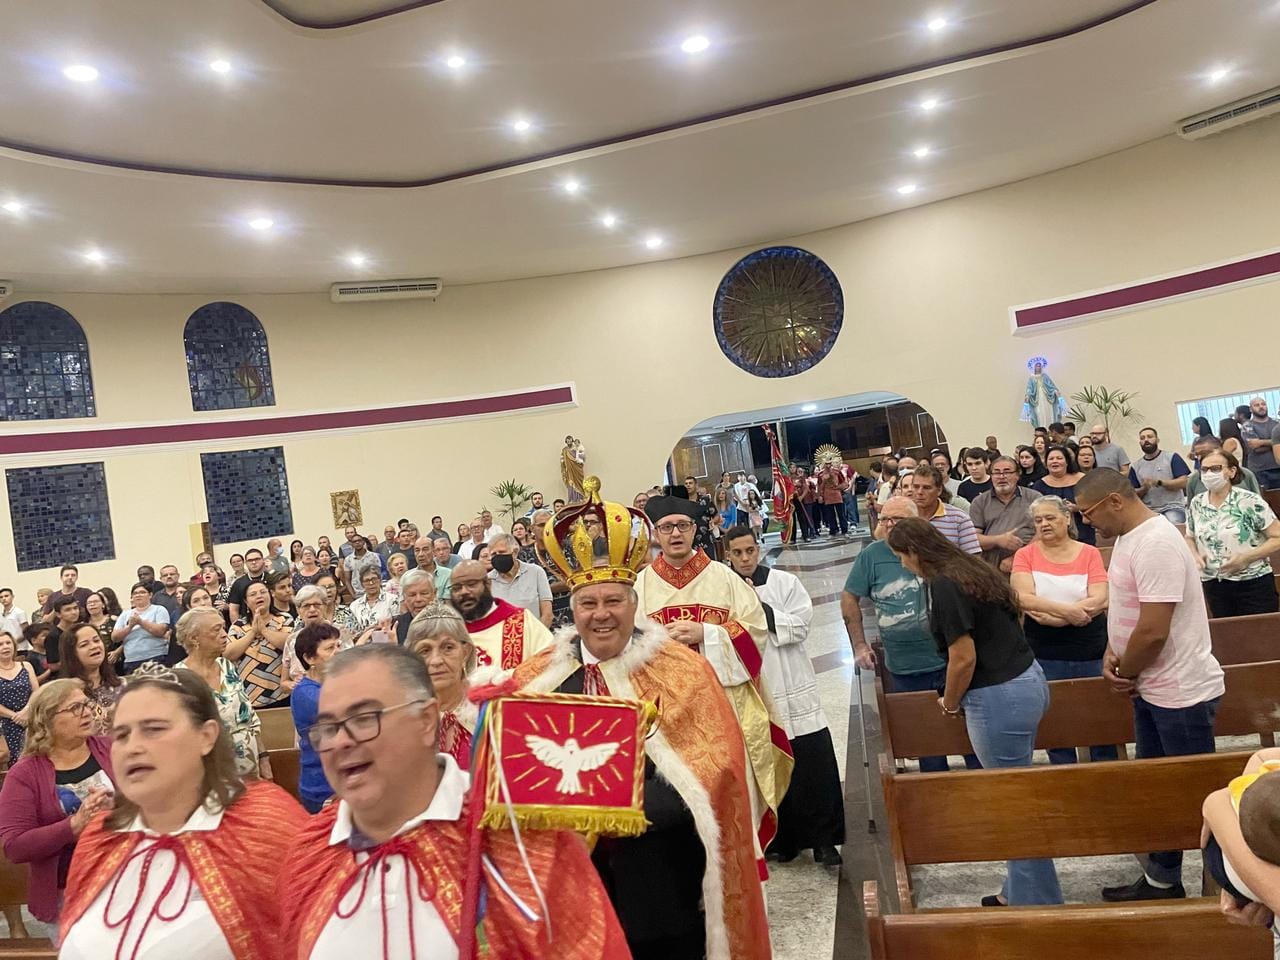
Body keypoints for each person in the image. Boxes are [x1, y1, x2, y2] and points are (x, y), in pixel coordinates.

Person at [513, 486, 770, 960]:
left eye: (613, 600)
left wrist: (615, 806)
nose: (601, 615)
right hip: (572, 888)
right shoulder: (537, 679)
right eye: (588, 603)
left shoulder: (684, 671)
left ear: (634, 605)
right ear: (573, 610)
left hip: (662, 884)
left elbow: (714, 773)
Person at [280, 643, 630, 959]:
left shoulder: (521, 840)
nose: (340, 742)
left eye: (363, 719)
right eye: (328, 727)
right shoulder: (309, 854)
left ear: (425, 719)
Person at [60, 666, 306, 958]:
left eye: (154, 729)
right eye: (122, 735)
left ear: (206, 736)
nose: (132, 747)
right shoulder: (101, 838)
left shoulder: (266, 825)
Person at [886, 518, 1062, 906]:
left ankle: (1039, 902)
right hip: (1028, 678)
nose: (903, 564)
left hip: (999, 696)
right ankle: (1017, 890)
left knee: (1013, 805)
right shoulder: (969, 566)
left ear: (914, 551)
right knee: (1016, 795)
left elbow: (963, 657)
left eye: (901, 556)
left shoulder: (943, 583)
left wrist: (950, 703)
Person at [1074, 468, 1226, 902]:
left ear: (1115, 501)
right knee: (1157, 794)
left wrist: (1125, 671)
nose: (1087, 521)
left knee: (1195, 798)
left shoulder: (1156, 543)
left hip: (1179, 692)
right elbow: (1128, 606)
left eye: (1088, 512)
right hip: (1152, 685)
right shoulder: (1129, 537)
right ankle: (1163, 882)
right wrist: (1113, 648)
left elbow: (1155, 630)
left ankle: (1229, 889)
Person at [638, 492, 791, 860]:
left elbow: (756, 632)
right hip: (666, 713)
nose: (676, 533)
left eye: (683, 525)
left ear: (695, 529)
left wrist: (706, 633)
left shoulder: (724, 578)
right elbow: (627, 650)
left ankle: (742, 866)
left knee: (731, 789)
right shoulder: (640, 586)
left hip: (724, 705)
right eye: (667, 527)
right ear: (655, 534)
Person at [725, 526, 843, 866]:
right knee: (770, 766)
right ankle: (784, 840)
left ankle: (824, 841)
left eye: (750, 551)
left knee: (813, 763)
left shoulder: (784, 582)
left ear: (759, 549)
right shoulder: (725, 591)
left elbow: (800, 625)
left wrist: (758, 608)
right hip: (756, 687)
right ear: (728, 555)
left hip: (792, 683)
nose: (745, 559)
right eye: (737, 553)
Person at [845, 497, 976, 772]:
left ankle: (982, 782)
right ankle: (935, 784)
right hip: (905, 664)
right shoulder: (871, 555)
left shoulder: (939, 550)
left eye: (898, 520)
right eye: (885, 519)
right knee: (926, 739)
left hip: (949, 660)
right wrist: (859, 644)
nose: (890, 525)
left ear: (918, 522)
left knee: (968, 732)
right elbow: (849, 598)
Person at [0, 679, 116, 930]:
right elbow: (15, 846)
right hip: (68, 892)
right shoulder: (24, 774)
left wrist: (120, 809)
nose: (86, 712)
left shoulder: (111, 748)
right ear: (46, 720)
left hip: (125, 876)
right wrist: (74, 825)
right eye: (75, 708)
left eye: (86, 704)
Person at [1010, 497, 1116, 763]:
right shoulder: (1025, 555)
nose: (1044, 524)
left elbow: (1100, 597)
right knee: (1054, 719)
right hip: (1044, 648)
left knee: (1099, 718)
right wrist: (1067, 613)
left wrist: (1058, 616)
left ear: (1067, 519)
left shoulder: (1089, 552)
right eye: (1038, 520)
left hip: (1089, 646)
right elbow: (1023, 597)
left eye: (1050, 518)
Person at [175, 608, 269, 779]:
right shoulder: (179, 679)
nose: (225, 635)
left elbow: (249, 717)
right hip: (210, 770)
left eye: (223, 628)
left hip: (249, 764)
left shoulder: (226, 666)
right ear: (194, 638)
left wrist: (264, 758)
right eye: (216, 629)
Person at [1186, 449, 1280, 617]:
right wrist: (1194, 555)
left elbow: (1277, 537)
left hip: (1252, 582)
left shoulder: (1250, 501)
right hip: (1213, 583)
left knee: (1258, 631)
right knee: (1228, 630)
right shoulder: (1196, 503)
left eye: (1215, 468)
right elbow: (1190, 536)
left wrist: (1246, 558)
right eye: (1204, 469)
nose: (1209, 474)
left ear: (1231, 471)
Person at [406, 603, 477, 771]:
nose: (436, 660)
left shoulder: (490, 712)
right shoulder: (404, 721)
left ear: (465, 652)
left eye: (448, 648)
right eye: (425, 651)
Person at [448, 559, 553, 667]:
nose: (464, 592)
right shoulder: (449, 633)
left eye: (471, 584)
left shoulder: (523, 621)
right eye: (456, 588)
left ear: (488, 584)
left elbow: (550, 663)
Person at [291, 623, 341, 813]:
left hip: (340, 777)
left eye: (338, 645)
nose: (338, 652)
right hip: (322, 785)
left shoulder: (334, 684)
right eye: (330, 648)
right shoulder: (306, 693)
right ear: (309, 658)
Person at [970, 457, 1043, 572]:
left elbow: (1042, 533)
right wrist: (998, 540)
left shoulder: (1034, 498)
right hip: (990, 563)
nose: (1001, 477)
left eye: (1007, 472)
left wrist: (1017, 557)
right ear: (991, 476)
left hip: (1030, 559)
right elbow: (973, 539)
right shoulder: (980, 501)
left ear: (1017, 475)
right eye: (996, 473)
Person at [228, 580, 294, 707]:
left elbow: (289, 644)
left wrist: (264, 630)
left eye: (263, 592)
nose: (259, 596)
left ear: (270, 595)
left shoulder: (284, 618)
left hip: (280, 694)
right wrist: (253, 632)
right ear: (246, 601)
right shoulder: (238, 625)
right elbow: (228, 654)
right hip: (248, 695)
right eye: (253, 594)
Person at [58, 622, 121, 736]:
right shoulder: (65, 695)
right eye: (84, 645)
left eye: (96, 640)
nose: (94, 646)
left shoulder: (122, 686)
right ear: (72, 654)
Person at [1032, 443, 1095, 544]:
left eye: (1059, 458)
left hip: (1083, 532)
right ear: (1046, 463)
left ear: (1067, 462)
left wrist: (1077, 508)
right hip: (1052, 536)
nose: (1055, 461)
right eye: (1051, 459)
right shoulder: (1039, 485)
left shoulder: (1082, 479)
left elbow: (1094, 505)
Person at [1127, 427, 1192, 524]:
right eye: (1142, 438)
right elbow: (1132, 494)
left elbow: (1184, 482)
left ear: (1157, 440)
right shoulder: (1135, 467)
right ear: (1140, 443)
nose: (1146, 440)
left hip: (1173, 507)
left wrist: (1159, 482)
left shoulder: (1171, 457)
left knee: (1173, 523)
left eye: (1150, 437)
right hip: (1149, 510)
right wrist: (1144, 489)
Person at [487, 533, 554, 627]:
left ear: (514, 552)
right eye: (493, 554)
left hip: (534, 632)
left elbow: (547, 614)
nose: (498, 557)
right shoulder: (487, 580)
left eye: (502, 552)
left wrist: (537, 635)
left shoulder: (535, 572)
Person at [912, 464, 980, 552]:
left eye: (926, 488)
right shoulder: (902, 516)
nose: (919, 492)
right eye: (916, 487)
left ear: (939, 490)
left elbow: (973, 556)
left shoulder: (959, 519)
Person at [111, 582, 172, 674]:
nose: (138, 595)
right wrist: (130, 626)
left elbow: (160, 631)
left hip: (156, 657)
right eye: (135, 593)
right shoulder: (125, 614)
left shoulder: (159, 610)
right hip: (131, 660)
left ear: (150, 595)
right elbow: (115, 637)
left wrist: (140, 622)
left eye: (142, 592)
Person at [0, 630, 38, 765]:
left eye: (8, 643)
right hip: (5, 725)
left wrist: (26, 711)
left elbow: (36, 692)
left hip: (29, 719)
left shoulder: (26, 666)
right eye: (0, 644)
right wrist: (15, 716)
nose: (5, 647)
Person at [1187, 435, 1262, 498]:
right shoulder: (1194, 480)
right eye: (1197, 455)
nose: (1200, 458)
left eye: (1204, 453)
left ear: (1219, 450)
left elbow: (1258, 501)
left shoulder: (1245, 474)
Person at [1240, 396, 1280, 489]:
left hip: (1278, 466)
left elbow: (1258, 444)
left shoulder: (1277, 423)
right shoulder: (1247, 426)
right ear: (1251, 409)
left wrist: (1261, 442)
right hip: (1260, 471)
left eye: (1263, 404)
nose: (1261, 407)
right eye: (1257, 405)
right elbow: (1256, 448)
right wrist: (1276, 443)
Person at [391, 567, 439, 645]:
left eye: (424, 593)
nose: (418, 599)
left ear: (435, 593)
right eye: (412, 595)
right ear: (404, 597)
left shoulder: (449, 622)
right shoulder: (396, 626)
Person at [226, 547, 269, 622]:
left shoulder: (273, 578)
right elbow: (233, 610)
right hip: (248, 623)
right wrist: (238, 627)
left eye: (257, 559)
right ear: (245, 563)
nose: (254, 562)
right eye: (250, 560)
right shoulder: (238, 583)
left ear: (263, 560)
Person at [412, 534, 454, 600]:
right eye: (417, 550)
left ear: (434, 552)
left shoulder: (448, 575)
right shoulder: (407, 577)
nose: (420, 554)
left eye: (425, 549)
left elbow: (447, 603)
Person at [815, 461, 849, 536]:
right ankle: (833, 529)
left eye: (829, 464)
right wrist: (820, 496)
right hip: (827, 494)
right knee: (830, 515)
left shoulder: (837, 472)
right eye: (826, 464)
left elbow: (843, 482)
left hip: (837, 493)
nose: (828, 465)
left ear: (831, 464)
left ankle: (844, 529)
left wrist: (839, 487)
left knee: (841, 514)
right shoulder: (821, 474)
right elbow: (819, 486)